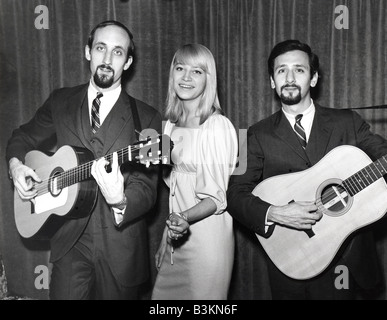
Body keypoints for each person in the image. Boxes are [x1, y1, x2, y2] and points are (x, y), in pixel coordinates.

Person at [6, 20, 162, 300]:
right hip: (69, 244)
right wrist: (16, 165)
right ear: (88, 52)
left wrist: (121, 200)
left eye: (117, 52)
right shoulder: (60, 101)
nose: (106, 59)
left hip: (121, 250)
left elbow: (148, 189)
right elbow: (23, 137)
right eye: (101, 48)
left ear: (127, 62)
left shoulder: (148, 117)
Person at [226, 39, 387, 300]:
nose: (289, 78)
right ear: (271, 81)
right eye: (281, 71)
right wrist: (276, 213)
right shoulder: (252, 134)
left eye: (299, 70)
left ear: (313, 79)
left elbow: (383, 154)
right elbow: (233, 194)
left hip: (344, 262)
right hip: (290, 260)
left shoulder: (349, 122)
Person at [151, 44, 238, 300]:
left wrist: (182, 220)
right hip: (177, 238)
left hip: (207, 241)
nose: (186, 77)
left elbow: (216, 198)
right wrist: (166, 237)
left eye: (197, 71)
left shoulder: (217, 126)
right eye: (180, 68)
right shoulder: (168, 127)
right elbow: (174, 194)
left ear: (208, 79)